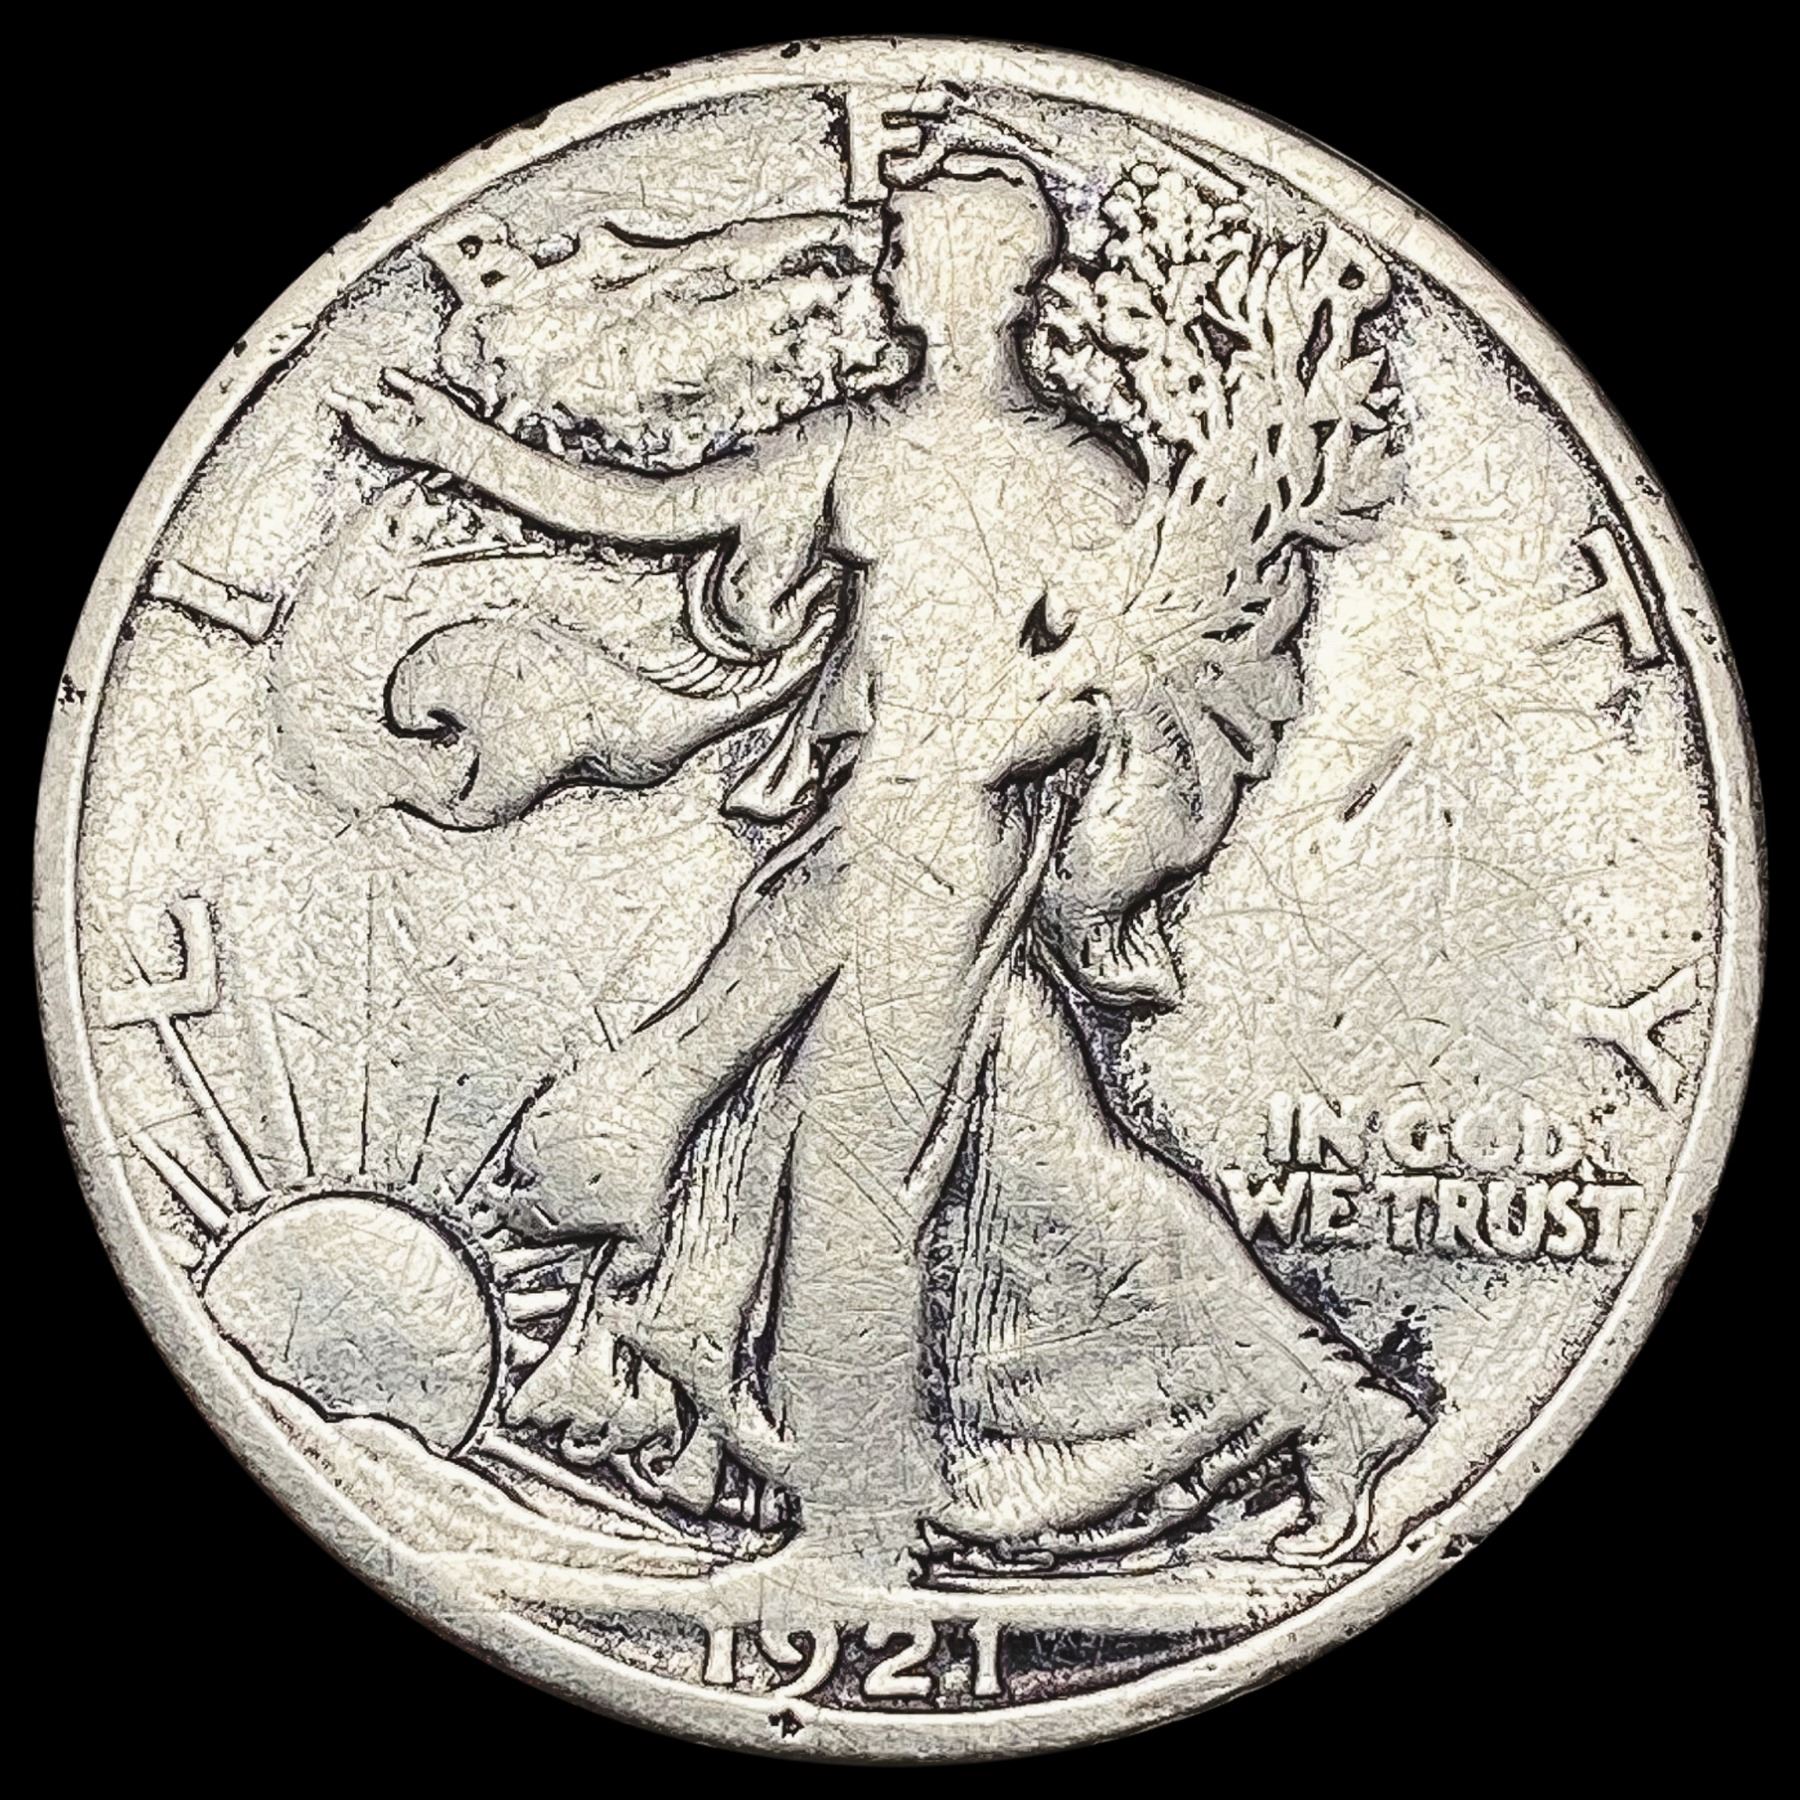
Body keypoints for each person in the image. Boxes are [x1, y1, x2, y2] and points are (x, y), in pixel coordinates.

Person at [336, 150, 1423, 1579]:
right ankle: (1329, 1401)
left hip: (949, 843)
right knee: (1043, 1151)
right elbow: (657, 507)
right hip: (864, 830)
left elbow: (1127, 683)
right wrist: (463, 449)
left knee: (856, 1178)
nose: (892, 270)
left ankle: (854, 1536)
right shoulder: (863, 443)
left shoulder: (1088, 484)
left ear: (981, 279)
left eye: (911, 248)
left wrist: (1009, 741)